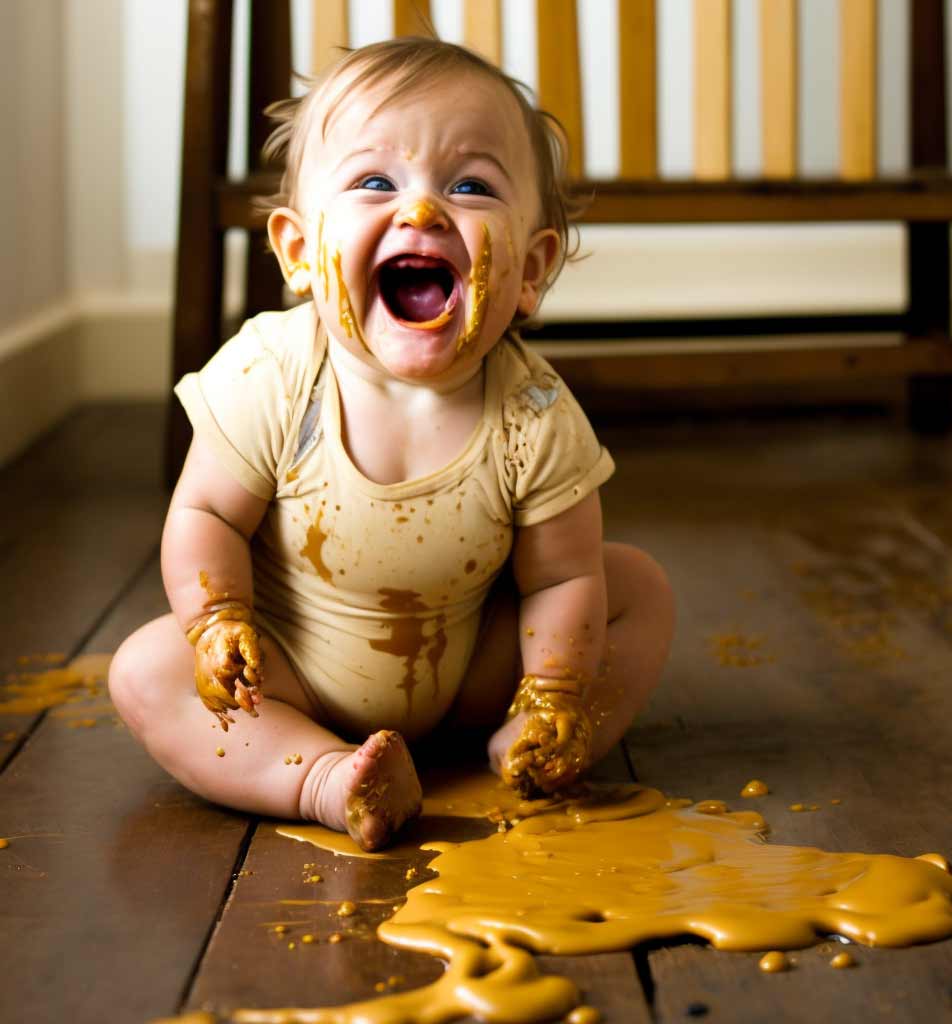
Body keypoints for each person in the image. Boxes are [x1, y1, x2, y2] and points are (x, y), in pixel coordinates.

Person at [109, 37, 675, 851]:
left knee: (636, 590)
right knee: (144, 670)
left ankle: (536, 743)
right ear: (300, 253)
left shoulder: (535, 412)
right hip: (291, 672)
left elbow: (562, 575)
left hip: (469, 667)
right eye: (375, 181)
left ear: (531, 271)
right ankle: (323, 777)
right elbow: (207, 516)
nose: (421, 211)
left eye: (470, 186)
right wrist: (217, 621)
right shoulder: (273, 373)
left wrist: (552, 687)